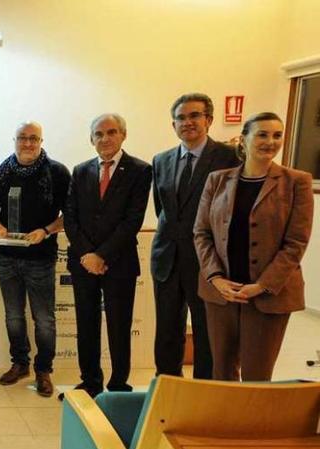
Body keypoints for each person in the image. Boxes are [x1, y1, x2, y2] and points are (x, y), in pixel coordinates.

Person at [194, 112, 313, 381]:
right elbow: (201, 233)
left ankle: (252, 425)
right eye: (262, 134)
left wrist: (261, 285)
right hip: (221, 293)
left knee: (257, 375)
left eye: (277, 135)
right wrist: (215, 278)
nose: (270, 141)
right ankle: (223, 423)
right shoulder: (217, 179)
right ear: (244, 140)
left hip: (268, 294)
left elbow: (295, 243)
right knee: (221, 371)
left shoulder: (297, 182)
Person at [151, 93, 239, 379]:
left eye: (194, 116)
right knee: (167, 331)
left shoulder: (229, 158)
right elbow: (162, 209)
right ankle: (168, 389)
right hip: (167, 260)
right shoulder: (161, 160)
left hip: (207, 262)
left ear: (209, 120)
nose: (187, 122)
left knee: (206, 332)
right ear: (173, 124)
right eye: (181, 118)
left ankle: (203, 392)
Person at [63, 113, 152, 398]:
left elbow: (132, 220)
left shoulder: (140, 170)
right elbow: (71, 217)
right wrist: (88, 254)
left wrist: (102, 255)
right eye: (99, 134)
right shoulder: (80, 170)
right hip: (83, 263)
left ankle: (117, 385)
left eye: (111, 132)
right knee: (86, 325)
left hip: (119, 263)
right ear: (91, 139)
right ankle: (90, 382)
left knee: (118, 325)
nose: (105, 138)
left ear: (123, 135)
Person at [0, 122, 70, 397]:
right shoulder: (1, 171)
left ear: (41, 140)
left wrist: (45, 231)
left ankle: (43, 370)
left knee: (44, 319)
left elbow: (69, 214)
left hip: (41, 258)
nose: (28, 143)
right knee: (13, 316)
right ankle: (19, 363)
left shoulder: (57, 172)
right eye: (22, 138)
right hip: (7, 258)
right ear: (15, 139)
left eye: (33, 138)